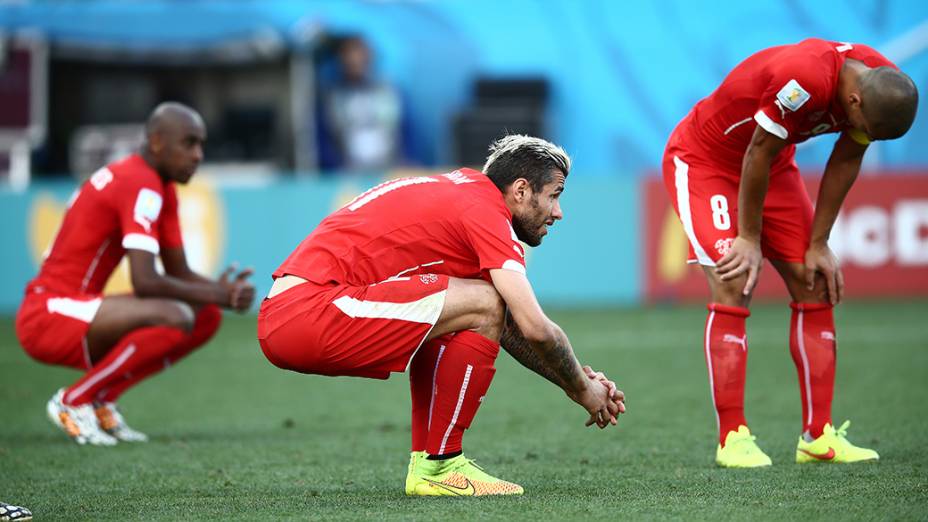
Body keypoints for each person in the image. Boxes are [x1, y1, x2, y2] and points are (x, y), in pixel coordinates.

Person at [258, 135, 626, 496]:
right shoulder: (485, 212)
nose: (559, 212)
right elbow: (534, 327)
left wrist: (575, 381)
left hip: (296, 310)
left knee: (475, 304)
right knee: (484, 300)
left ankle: (433, 464)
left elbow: (505, 327)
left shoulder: (463, 192)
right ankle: (440, 464)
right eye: (555, 195)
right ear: (521, 190)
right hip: (312, 310)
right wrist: (582, 387)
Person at [662, 39, 918, 467]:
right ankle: (732, 438)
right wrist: (748, 236)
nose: (865, 136)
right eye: (867, 128)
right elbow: (756, 151)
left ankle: (818, 437)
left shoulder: (881, 84)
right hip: (707, 161)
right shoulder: (803, 78)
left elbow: (845, 158)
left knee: (814, 280)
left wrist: (819, 244)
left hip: (773, 168)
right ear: (853, 100)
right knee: (734, 278)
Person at [15, 102, 255, 446]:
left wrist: (220, 293)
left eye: (201, 144)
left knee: (205, 316)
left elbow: (179, 272)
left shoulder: (161, 186)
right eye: (189, 143)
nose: (198, 155)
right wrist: (221, 293)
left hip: (81, 306)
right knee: (174, 315)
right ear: (156, 142)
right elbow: (145, 281)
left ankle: (101, 400)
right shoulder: (140, 183)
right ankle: (74, 400)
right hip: (48, 312)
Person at [316, 35, 416, 172]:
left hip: (389, 169)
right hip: (347, 174)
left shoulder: (390, 93)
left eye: (359, 55)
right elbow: (323, 141)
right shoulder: (331, 99)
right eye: (348, 56)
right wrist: (335, 168)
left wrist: (405, 163)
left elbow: (407, 132)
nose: (354, 61)